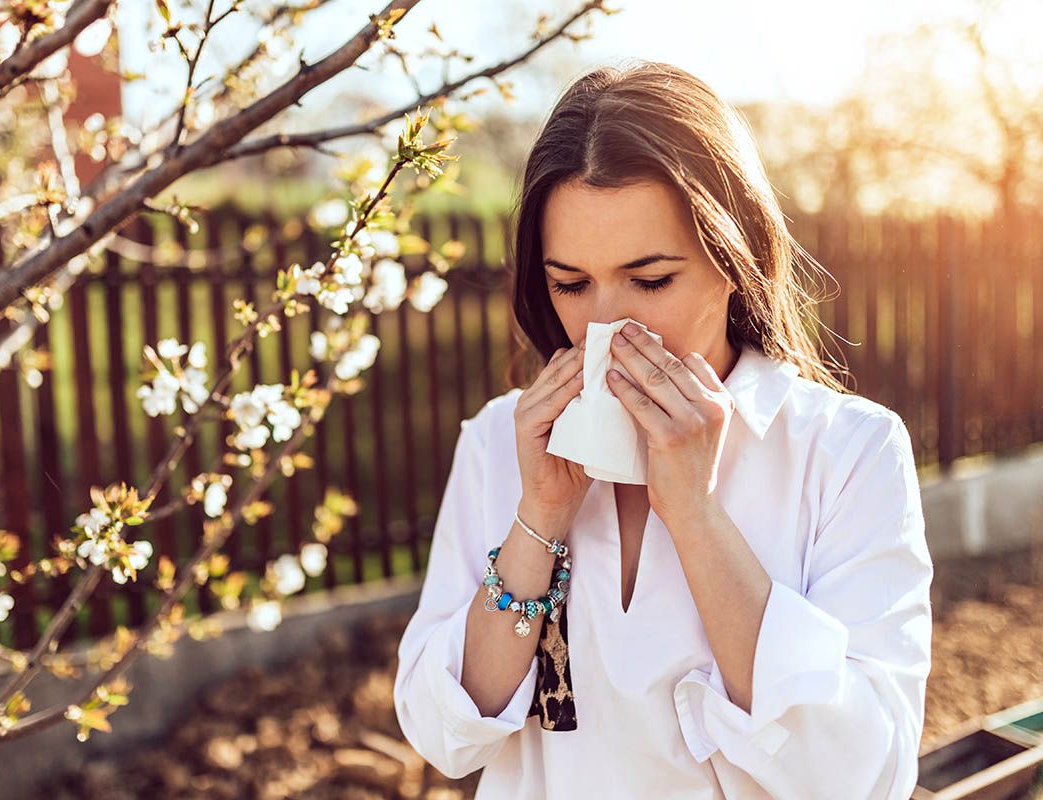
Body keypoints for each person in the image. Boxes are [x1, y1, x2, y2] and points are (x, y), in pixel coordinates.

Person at [392, 60, 934, 799]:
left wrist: (696, 515)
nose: (607, 325)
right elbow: (442, 734)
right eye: (571, 284)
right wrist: (538, 518)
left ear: (733, 258)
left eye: (650, 280)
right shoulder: (498, 443)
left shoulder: (845, 451)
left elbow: (865, 776)